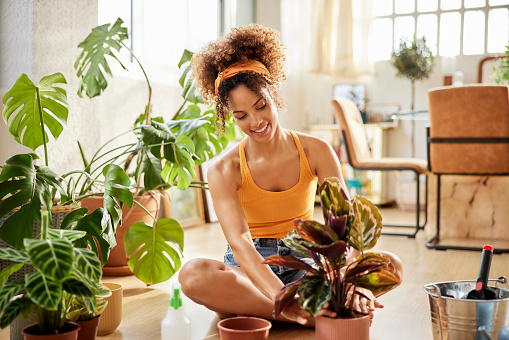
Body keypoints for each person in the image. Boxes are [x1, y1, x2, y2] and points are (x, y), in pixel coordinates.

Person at [178, 24, 403, 327]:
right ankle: (307, 313)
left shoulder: (317, 151)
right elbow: (242, 244)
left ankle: (261, 311)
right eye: (241, 116)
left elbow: (346, 225)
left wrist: (344, 276)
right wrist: (282, 297)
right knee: (193, 274)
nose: (256, 121)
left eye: (261, 106)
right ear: (229, 115)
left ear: (273, 93)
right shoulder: (223, 169)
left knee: (391, 265)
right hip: (251, 271)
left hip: (306, 263)